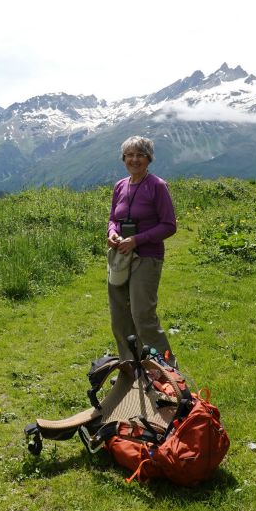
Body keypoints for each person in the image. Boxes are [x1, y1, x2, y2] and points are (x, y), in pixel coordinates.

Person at [106, 135, 177, 362]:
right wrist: (112, 233)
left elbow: (169, 225)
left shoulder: (157, 186)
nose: (134, 159)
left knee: (142, 316)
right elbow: (112, 219)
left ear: (149, 158)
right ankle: (131, 366)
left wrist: (137, 240)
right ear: (123, 158)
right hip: (120, 256)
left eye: (140, 155)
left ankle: (167, 372)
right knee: (120, 317)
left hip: (146, 257)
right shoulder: (120, 186)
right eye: (129, 155)